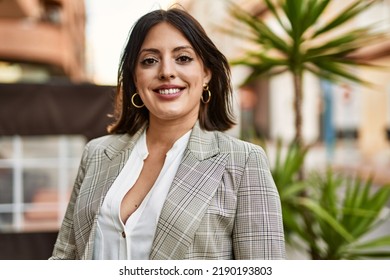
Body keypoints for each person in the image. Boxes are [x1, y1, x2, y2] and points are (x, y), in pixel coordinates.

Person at [50, 7, 285, 260]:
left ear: (206, 73)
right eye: (150, 60)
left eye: (182, 58)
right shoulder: (96, 153)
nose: (166, 72)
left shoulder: (243, 162)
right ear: (135, 79)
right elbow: (65, 256)